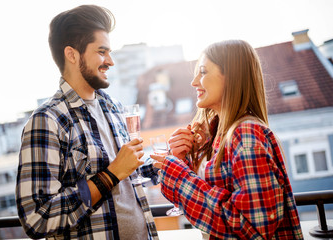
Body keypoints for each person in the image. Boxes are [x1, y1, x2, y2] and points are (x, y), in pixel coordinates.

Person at [15, 5, 159, 240]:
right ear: (72, 54)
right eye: (102, 52)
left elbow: (127, 174)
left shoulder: (112, 107)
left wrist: (168, 161)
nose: (110, 61)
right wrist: (110, 175)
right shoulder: (47, 121)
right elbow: (36, 218)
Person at [151, 40, 303, 239]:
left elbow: (254, 228)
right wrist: (182, 162)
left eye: (203, 72)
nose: (194, 82)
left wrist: (180, 177)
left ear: (231, 77)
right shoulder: (217, 135)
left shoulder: (246, 133)